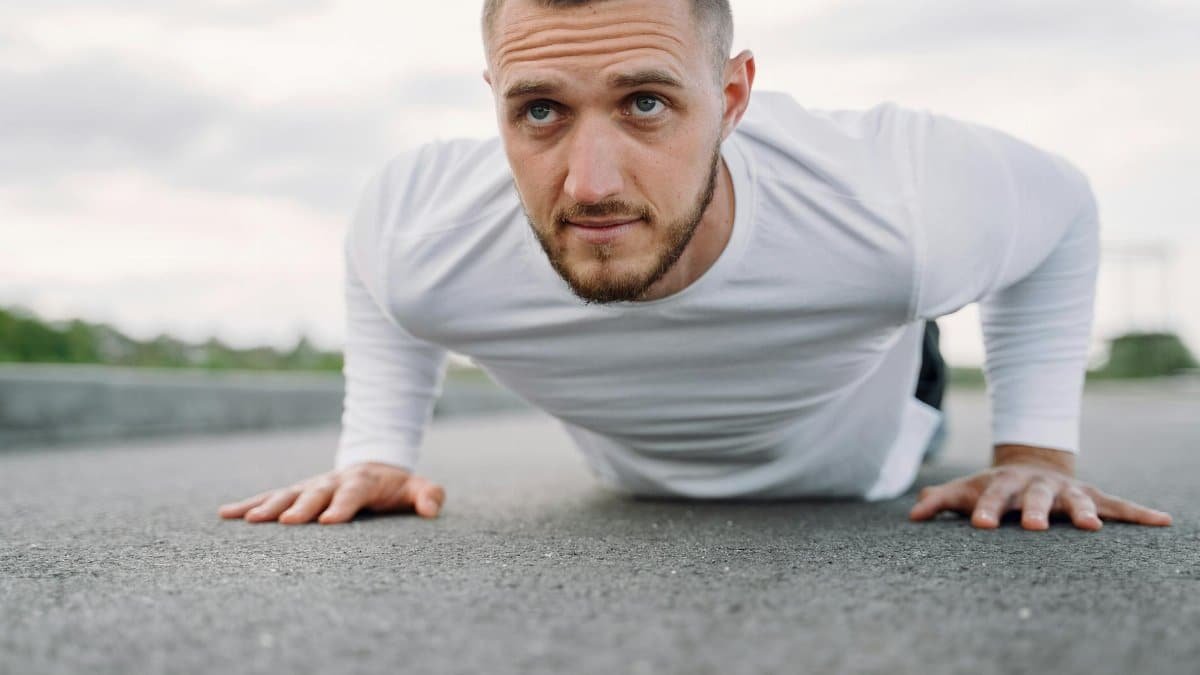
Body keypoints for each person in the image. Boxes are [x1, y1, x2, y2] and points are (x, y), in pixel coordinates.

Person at [219, 0, 1173, 531]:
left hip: (871, 436)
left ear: (731, 94)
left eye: (644, 104)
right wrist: (378, 451)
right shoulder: (424, 228)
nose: (589, 185)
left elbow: (1064, 212)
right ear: (495, 101)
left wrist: (1034, 452)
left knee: (892, 291)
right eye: (540, 110)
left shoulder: (898, 202)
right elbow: (382, 278)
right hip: (641, 470)